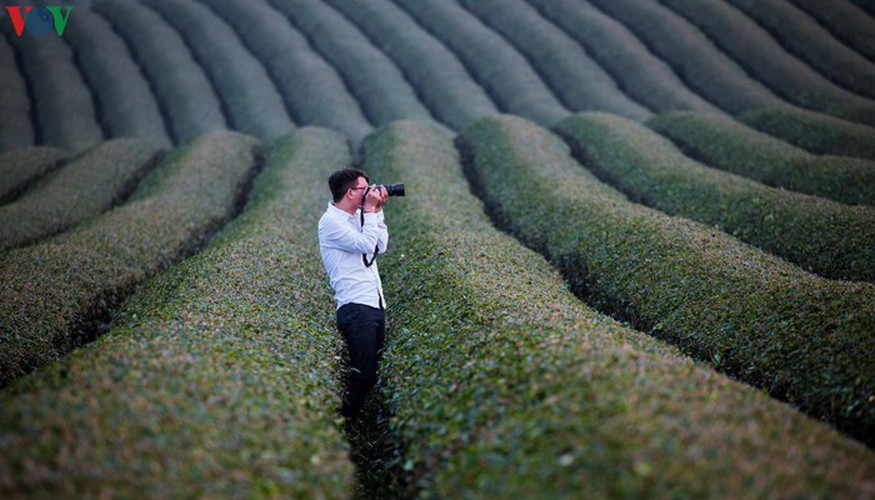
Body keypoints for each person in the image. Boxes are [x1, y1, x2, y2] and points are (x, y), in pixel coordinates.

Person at [318, 166, 390, 420]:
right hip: (356, 307)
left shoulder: (354, 217)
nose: (370, 193)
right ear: (350, 193)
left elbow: (380, 246)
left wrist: (376, 211)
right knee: (363, 374)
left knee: (370, 373)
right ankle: (342, 424)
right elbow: (365, 244)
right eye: (364, 189)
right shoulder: (331, 222)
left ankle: (351, 423)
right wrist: (369, 211)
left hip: (373, 303)